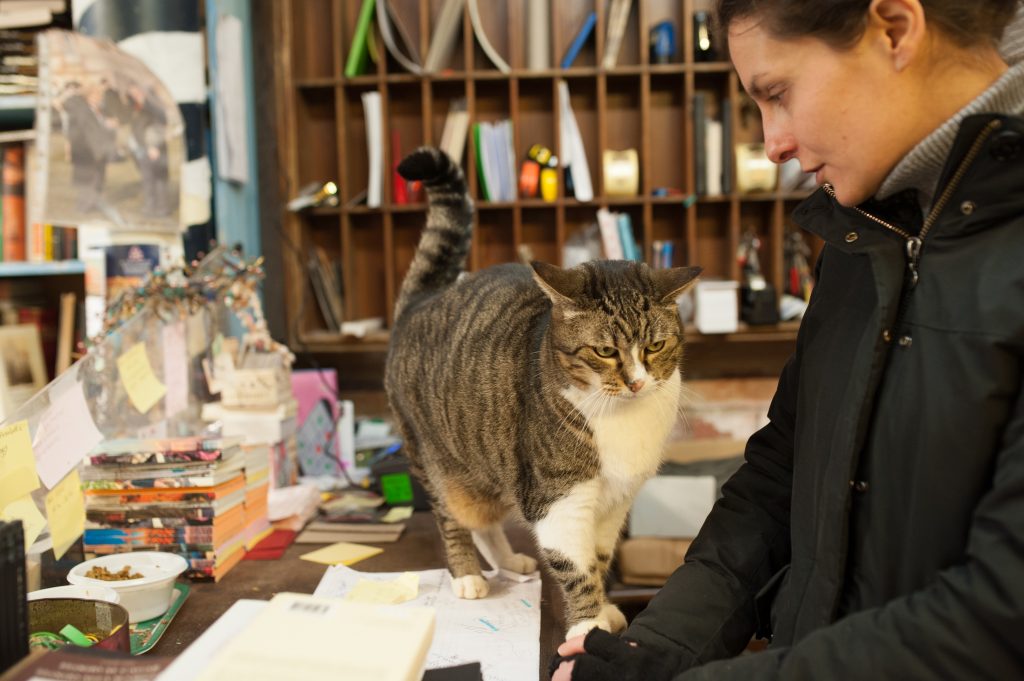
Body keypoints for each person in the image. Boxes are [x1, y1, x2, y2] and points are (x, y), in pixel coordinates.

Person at [551, 0, 1024, 678]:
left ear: (894, 28)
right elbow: (780, 475)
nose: (773, 145)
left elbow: (997, 621)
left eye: (776, 93)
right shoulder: (864, 236)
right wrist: (653, 648)